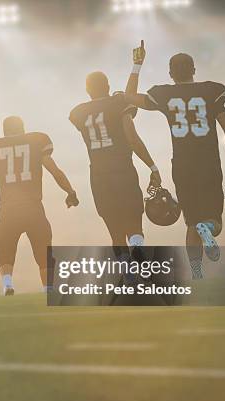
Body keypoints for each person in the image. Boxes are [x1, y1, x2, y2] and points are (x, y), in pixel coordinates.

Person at [125, 41, 225, 279]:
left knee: (191, 223)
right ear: (194, 70)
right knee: (214, 223)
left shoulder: (164, 94)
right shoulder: (212, 91)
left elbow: (128, 97)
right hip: (209, 164)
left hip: (181, 165)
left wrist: (137, 65)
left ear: (171, 74)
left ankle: (197, 274)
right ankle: (207, 229)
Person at [0, 116, 79, 295]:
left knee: (5, 250)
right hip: (33, 207)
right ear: (23, 128)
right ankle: (47, 289)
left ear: (4, 131)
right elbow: (56, 172)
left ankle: (7, 284)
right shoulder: (36, 142)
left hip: (8, 209)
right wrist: (70, 192)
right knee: (43, 251)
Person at [69, 69, 161, 263]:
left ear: (87, 90)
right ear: (108, 86)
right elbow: (132, 137)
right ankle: (140, 261)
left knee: (116, 233)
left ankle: (128, 273)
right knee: (134, 225)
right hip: (123, 170)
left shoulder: (77, 112)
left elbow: (93, 117)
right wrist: (152, 166)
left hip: (99, 174)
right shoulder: (119, 104)